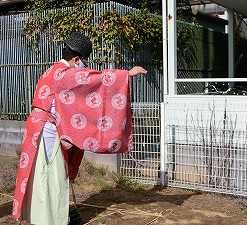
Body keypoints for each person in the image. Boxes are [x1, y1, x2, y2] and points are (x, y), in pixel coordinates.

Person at [12, 32, 147, 225]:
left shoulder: (52, 71)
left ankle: (44, 218)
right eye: (83, 61)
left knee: (42, 176)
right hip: (47, 132)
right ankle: (49, 220)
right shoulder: (64, 74)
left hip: (39, 130)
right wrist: (126, 74)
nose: (83, 66)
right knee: (51, 177)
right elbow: (95, 80)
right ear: (76, 59)